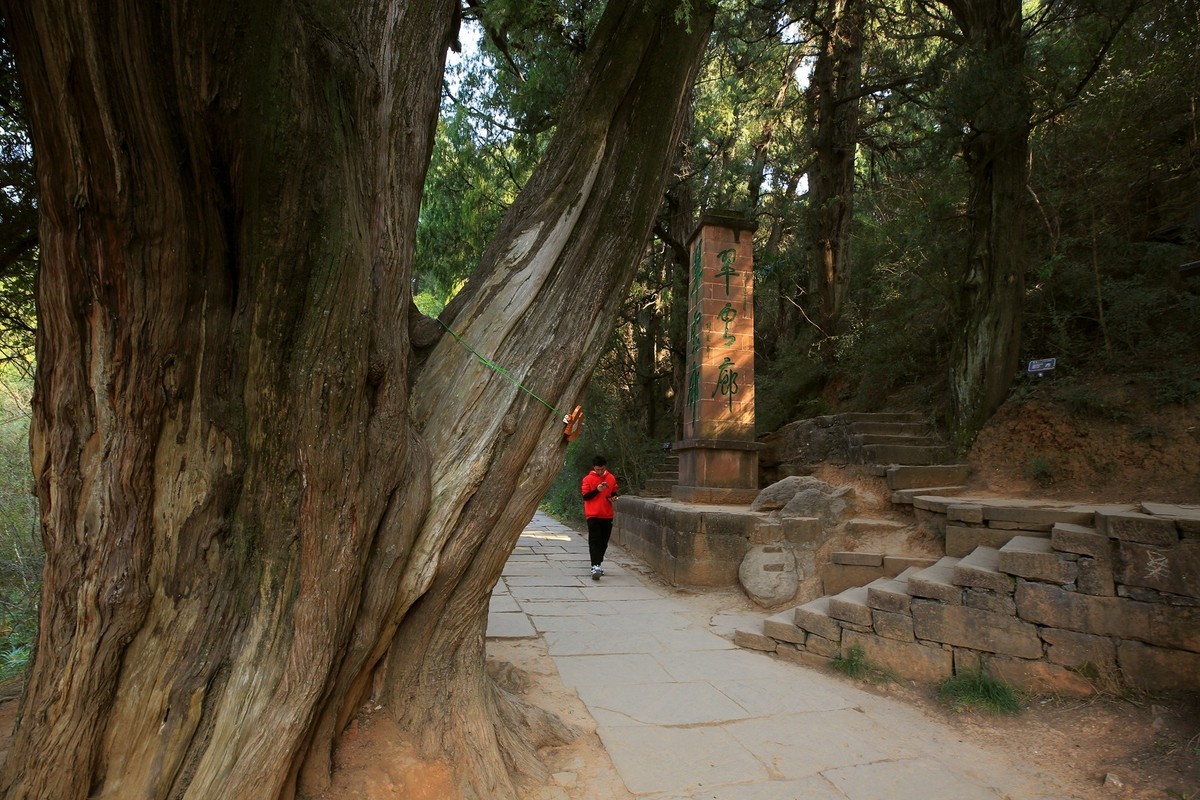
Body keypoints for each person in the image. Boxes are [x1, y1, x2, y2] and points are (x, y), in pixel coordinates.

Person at [580, 455, 619, 580]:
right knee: (595, 540)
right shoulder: (587, 479)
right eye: (598, 470)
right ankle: (595, 565)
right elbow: (586, 496)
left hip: (607, 514)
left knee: (604, 542)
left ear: (605, 467)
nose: (600, 472)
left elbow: (614, 492)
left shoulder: (611, 478)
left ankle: (598, 563)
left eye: (602, 469)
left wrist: (613, 497)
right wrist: (597, 490)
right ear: (594, 468)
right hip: (592, 514)